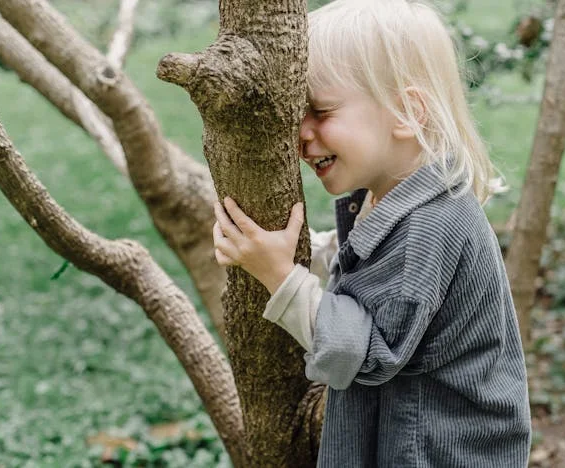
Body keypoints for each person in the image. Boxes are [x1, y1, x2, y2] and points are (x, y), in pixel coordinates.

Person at [212, 0, 531, 465]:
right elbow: (369, 265)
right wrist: (315, 251)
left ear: (407, 113)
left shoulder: (431, 224)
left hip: (436, 452)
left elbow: (364, 354)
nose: (300, 133)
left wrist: (281, 275)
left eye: (319, 111)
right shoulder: (392, 193)